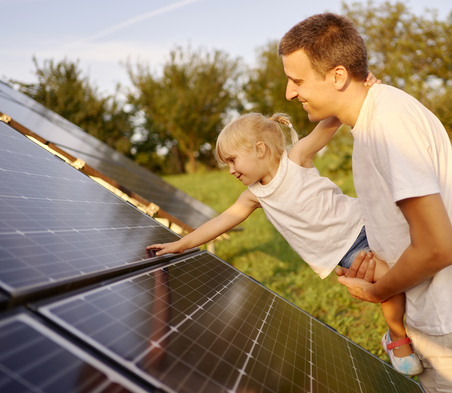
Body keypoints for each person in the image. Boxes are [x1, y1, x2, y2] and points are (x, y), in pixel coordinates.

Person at [278, 12, 452, 392]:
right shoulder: (370, 123)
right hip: (433, 322)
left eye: (297, 80)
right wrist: (380, 264)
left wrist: (378, 291)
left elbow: (439, 248)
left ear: (338, 76)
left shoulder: (388, 125)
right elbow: (405, 230)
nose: (289, 93)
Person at [147, 108, 424, 376]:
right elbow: (221, 221)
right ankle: (396, 338)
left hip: (365, 219)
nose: (230, 170)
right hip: (348, 249)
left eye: (232, 160)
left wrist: (356, 93)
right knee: (390, 281)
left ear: (259, 149)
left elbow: (328, 125)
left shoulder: (296, 159)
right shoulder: (254, 196)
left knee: (414, 253)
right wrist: (180, 244)